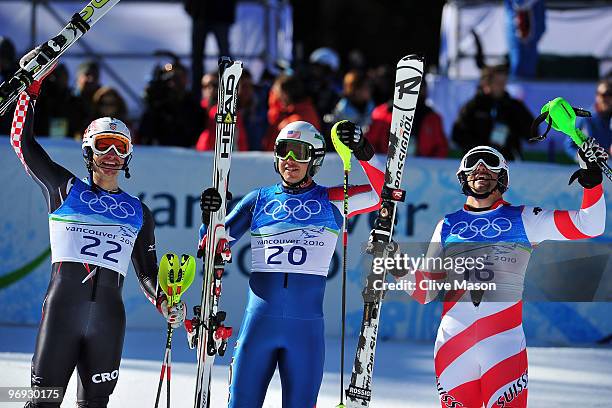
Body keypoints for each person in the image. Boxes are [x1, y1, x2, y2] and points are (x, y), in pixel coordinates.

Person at [9, 63, 185, 407]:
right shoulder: (65, 189)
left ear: (129, 155)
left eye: (120, 148)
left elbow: (147, 273)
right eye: (103, 146)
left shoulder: (139, 212)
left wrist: (163, 301)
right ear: (88, 151)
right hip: (62, 313)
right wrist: (31, 91)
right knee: (42, 402)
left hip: (108, 319)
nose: (111, 156)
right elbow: (22, 143)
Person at [392, 143, 607, 407]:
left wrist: (592, 181)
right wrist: (391, 259)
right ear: (462, 176)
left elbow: (590, 225)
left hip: (503, 348)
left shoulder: (525, 219)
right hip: (452, 348)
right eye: (473, 161)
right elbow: (425, 292)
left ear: (503, 177)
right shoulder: (446, 225)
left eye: (489, 161)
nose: (480, 167)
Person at [197, 121, 385, 407]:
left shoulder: (333, 199)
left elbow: (384, 195)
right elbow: (211, 246)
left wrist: (363, 149)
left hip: (305, 333)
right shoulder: (258, 200)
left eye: (300, 152)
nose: (290, 160)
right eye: (284, 151)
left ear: (316, 160)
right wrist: (208, 217)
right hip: (258, 325)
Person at [452, 65, 534, 160]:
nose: (502, 86)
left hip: (508, 164)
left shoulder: (514, 106)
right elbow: (457, 136)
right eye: (498, 83)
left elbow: (533, 135)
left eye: (504, 82)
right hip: (478, 165)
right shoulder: (472, 107)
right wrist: (479, 151)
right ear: (486, 84)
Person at [366, 79, 448, 157]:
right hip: (387, 166)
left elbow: (441, 147)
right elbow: (371, 142)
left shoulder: (433, 118)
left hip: (421, 167)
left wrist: (428, 165)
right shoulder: (383, 113)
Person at [564, 78, 612, 160]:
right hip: (591, 169)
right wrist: (581, 158)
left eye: (609, 94)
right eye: (601, 95)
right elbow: (568, 145)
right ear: (597, 96)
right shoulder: (585, 118)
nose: (604, 98)